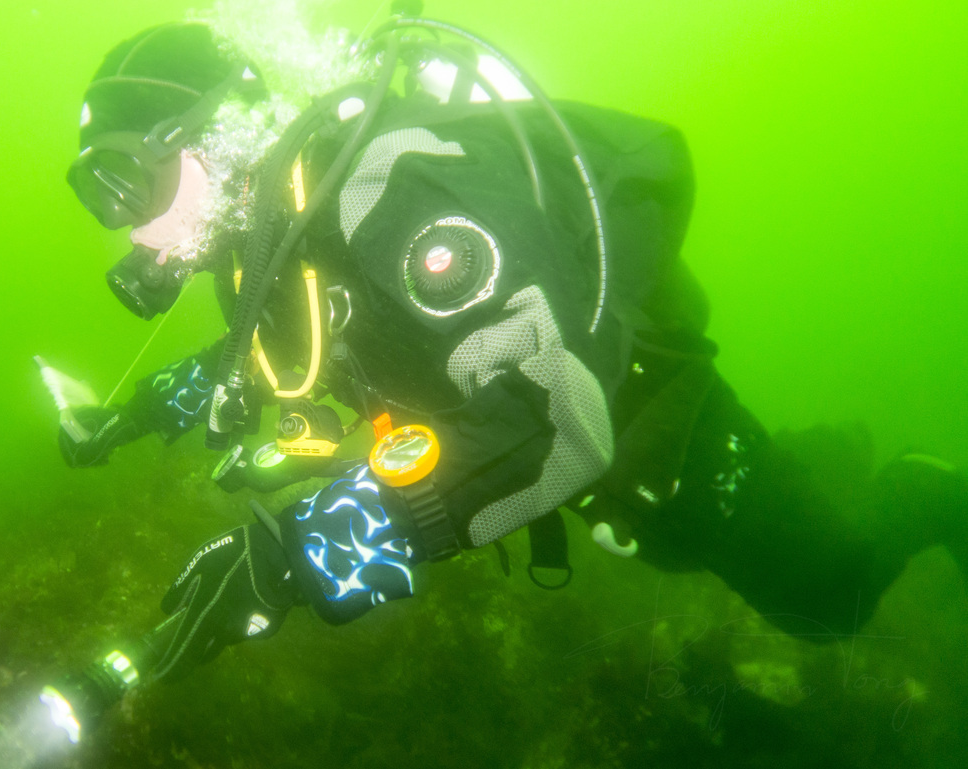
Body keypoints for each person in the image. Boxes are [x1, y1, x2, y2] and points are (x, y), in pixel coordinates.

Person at [55, 14, 968, 694]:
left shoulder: (391, 195)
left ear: (219, 134)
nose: (129, 228)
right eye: (99, 196)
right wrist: (127, 417)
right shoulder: (273, 246)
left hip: (661, 431)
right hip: (588, 486)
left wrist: (299, 556)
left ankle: (926, 490)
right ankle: (831, 462)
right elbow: (255, 355)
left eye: (127, 180)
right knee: (690, 557)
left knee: (830, 602)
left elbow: (559, 415)